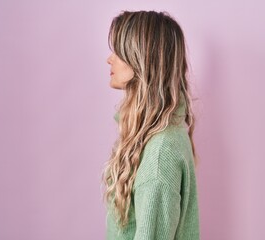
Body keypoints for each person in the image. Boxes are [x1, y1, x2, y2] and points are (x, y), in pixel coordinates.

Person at [102, 10, 200, 240]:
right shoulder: (160, 136)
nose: (109, 58)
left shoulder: (160, 153)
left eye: (118, 50)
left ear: (141, 59)